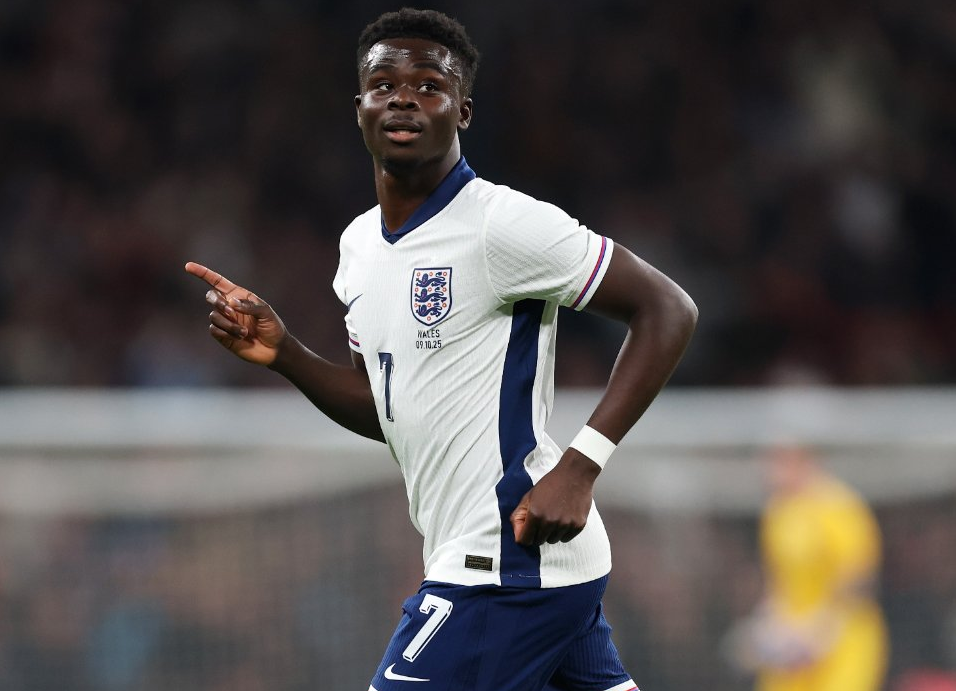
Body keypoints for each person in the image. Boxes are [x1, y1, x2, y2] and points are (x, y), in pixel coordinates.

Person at [185, 9, 697, 691]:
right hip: (510, 559)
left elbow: (668, 307)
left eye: (429, 85)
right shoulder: (358, 249)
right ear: (360, 107)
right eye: (384, 84)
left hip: (504, 561)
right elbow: (387, 409)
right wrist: (288, 355)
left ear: (463, 111)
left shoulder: (501, 224)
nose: (404, 96)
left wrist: (582, 464)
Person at [725, 444, 888, 691]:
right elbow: (779, 582)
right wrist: (768, 626)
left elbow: (859, 579)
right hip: (794, 647)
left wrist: (820, 629)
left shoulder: (838, 507)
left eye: (779, 461)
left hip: (843, 643)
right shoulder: (777, 512)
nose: (770, 471)